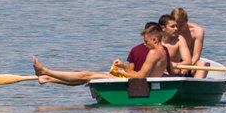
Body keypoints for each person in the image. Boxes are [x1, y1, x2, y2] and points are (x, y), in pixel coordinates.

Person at [33, 23, 170, 85]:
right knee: (86, 77)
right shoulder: (163, 52)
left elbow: (140, 77)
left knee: (86, 74)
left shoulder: (153, 53)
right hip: (135, 81)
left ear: (154, 39)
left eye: (146, 41)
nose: (144, 44)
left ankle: (46, 71)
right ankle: (48, 78)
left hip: (134, 84)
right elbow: (142, 74)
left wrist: (119, 74)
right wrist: (123, 66)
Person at [159, 13, 206, 79]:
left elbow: (188, 61)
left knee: (202, 63)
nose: (176, 29)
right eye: (173, 26)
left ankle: (196, 87)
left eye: (176, 26)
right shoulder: (156, 40)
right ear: (163, 28)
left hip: (177, 74)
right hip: (161, 74)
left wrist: (175, 65)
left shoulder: (179, 39)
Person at [172, 7, 208, 76]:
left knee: (202, 63)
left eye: (181, 26)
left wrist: (185, 69)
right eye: (176, 26)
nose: (178, 29)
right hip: (173, 65)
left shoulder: (197, 31)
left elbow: (196, 56)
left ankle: (195, 85)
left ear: (186, 21)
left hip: (190, 65)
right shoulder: (170, 31)